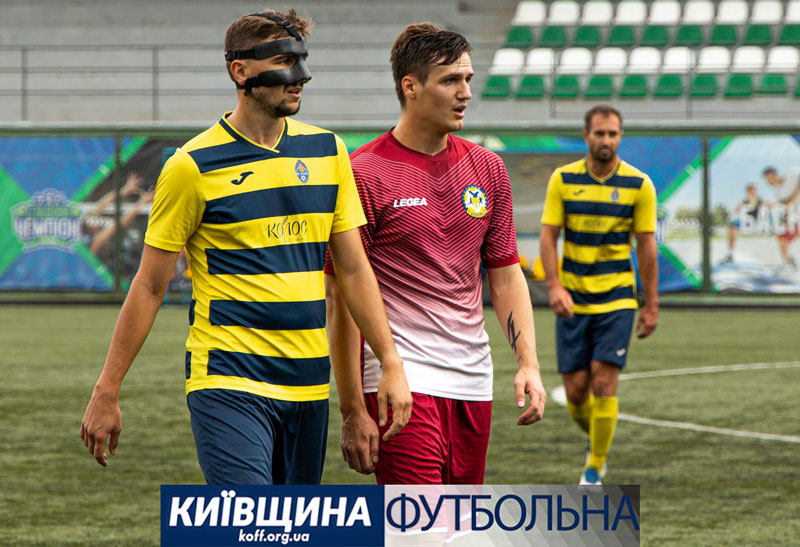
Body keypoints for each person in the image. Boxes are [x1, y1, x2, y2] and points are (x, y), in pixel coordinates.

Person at [80, 9, 412, 485]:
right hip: (227, 380)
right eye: (284, 62)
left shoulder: (329, 152)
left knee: (293, 525)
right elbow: (150, 286)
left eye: (302, 60)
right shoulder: (191, 166)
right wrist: (107, 388)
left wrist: (384, 370)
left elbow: (355, 272)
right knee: (248, 519)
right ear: (240, 71)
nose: (301, 76)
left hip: (309, 385)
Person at [325, 23, 546, 486]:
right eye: (450, 81)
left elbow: (506, 276)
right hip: (399, 380)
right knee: (419, 522)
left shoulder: (488, 168)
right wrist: (352, 408)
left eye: (467, 79)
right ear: (410, 87)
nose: (465, 93)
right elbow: (340, 296)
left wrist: (528, 362)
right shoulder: (362, 173)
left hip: (473, 382)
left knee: (461, 522)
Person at [539, 105, 658, 486]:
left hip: (617, 299)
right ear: (586, 136)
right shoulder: (563, 179)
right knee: (575, 394)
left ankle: (593, 469)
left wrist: (651, 304)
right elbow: (548, 237)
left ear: (620, 137)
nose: (606, 140)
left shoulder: (639, 185)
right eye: (599, 133)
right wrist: (554, 286)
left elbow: (646, 247)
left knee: (604, 384)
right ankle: (599, 441)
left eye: (613, 134)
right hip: (573, 300)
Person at [762, 166, 800, 269]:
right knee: (781, 237)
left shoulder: (792, 175)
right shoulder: (778, 193)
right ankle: (787, 261)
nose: (768, 182)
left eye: (768, 179)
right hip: (795, 216)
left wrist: (792, 197)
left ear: (773, 174)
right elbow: (783, 207)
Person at [722, 183, 765, 264]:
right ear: (747, 191)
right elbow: (736, 211)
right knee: (732, 227)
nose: (753, 192)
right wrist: (730, 213)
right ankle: (730, 254)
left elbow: (772, 206)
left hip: (757, 224)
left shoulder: (760, 201)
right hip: (746, 224)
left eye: (755, 190)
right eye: (751, 190)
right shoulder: (743, 202)